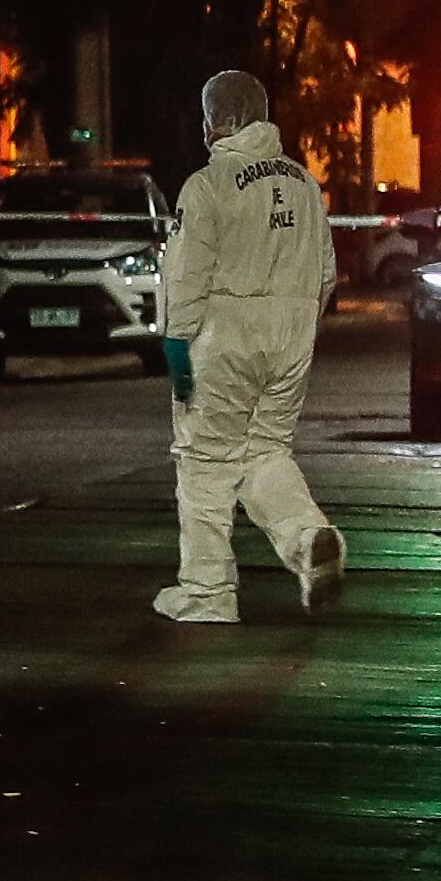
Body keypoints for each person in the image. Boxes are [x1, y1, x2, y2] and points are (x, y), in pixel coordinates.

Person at [151, 70, 344, 622]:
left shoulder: (208, 185)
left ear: (219, 119)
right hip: (292, 334)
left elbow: (187, 276)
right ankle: (308, 540)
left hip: (226, 333)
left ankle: (208, 591)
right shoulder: (305, 184)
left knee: (205, 461)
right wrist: (300, 325)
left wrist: (177, 344)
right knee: (264, 449)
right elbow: (327, 273)